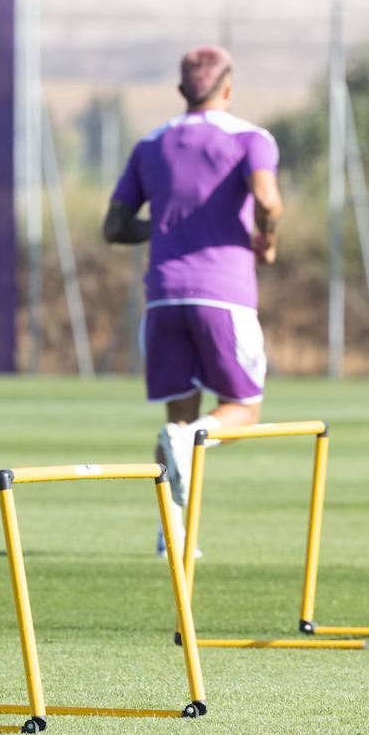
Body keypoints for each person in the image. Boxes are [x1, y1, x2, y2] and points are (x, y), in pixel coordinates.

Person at [102, 45, 283, 556]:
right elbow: (268, 200)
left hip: (162, 298)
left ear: (183, 91)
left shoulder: (150, 144)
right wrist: (266, 239)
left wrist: (164, 229)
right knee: (243, 411)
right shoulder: (251, 138)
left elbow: (114, 227)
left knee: (175, 419)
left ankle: (172, 537)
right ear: (228, 88)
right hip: (224, 296)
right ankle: (193, 440)